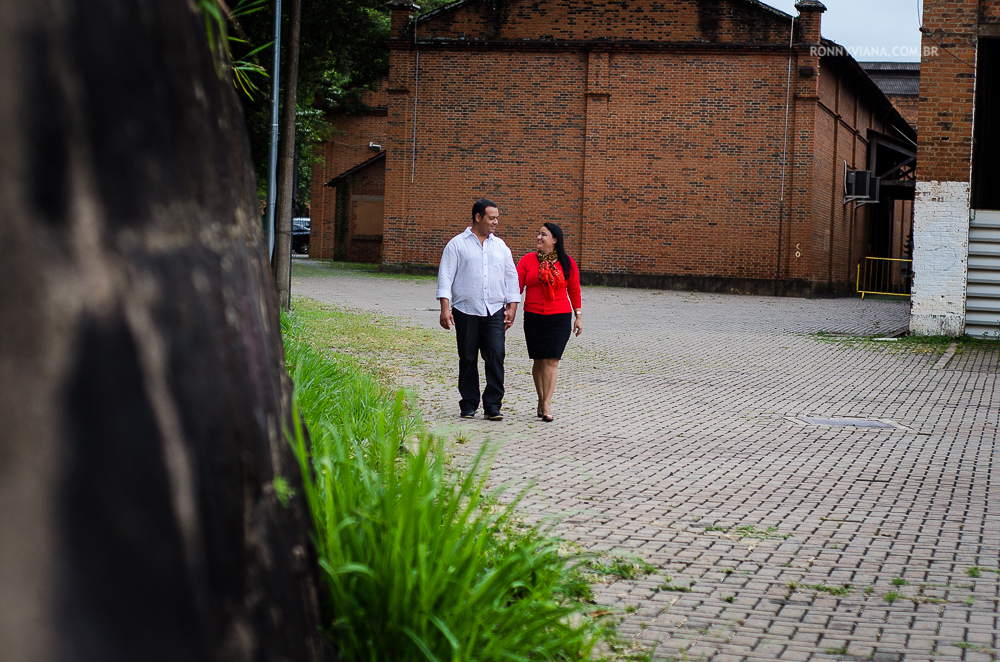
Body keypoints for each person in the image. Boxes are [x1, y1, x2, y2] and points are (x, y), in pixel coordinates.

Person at [436, 199, 521, 420]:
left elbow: (512, 277)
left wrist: (512, 307)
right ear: (478, 217)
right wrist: (445, 309)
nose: (496, 222)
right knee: (467, 357)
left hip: (494, 310)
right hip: (465, 310)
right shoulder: (457, 244)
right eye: (492, 218)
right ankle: (469, 403)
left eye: (497, 218)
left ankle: (493, 405)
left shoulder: (500, 246)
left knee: (495, 354)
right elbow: (445, 277)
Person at [516, 223, 582, 422]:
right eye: (538, 233)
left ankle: (546, 403)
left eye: (543, 234)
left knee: (552, 360)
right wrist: (509, 308)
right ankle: (540, 398)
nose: (538, 237)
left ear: (555, 240)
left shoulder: (568, 263)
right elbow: (515, 287)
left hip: (559, 317)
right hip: (534, 316)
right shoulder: (527, 261)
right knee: (538, 360)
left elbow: (575, 290)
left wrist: (578, 316)